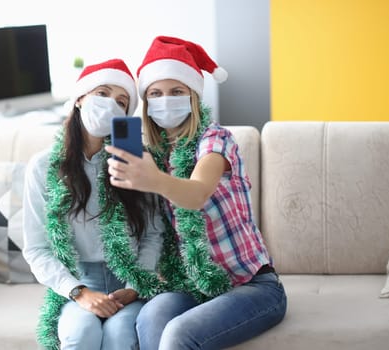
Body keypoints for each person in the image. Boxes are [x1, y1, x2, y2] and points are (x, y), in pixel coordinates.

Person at [105, 36, 287, 350]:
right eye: (156, 93)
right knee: (151, 317)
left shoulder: (215, 139)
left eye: (177, 91)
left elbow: (198, 193)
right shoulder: (150, 154)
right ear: (146, 103)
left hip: (252, 286)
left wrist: (155, 180)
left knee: (178, 335)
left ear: (193, 96)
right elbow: (154, 237)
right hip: (190, 287)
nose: (166, 100)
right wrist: (138, 285)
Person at [22, 58, 164, 350]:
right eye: (102, 93)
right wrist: (79, 292)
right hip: (77, 281)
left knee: (120, 336)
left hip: (130, 280)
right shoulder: (43, 166)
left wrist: (135, 287)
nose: (111, 104)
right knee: (81, 334)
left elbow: (153, 233)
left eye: (122, 101)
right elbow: (36, 248)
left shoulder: (137, 162)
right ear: (79, 99)